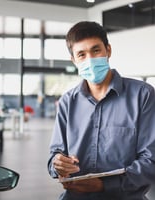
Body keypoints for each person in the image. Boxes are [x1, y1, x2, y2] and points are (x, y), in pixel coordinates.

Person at [47, 21, 155, 199]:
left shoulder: (143, 95)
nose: (90, 59)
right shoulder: (67, 101)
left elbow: (151, 160)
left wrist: (105, 185)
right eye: (81, 54)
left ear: (108, 51)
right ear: (74, 60)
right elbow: (55, 157)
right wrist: (57, 163)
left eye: (96, 50)